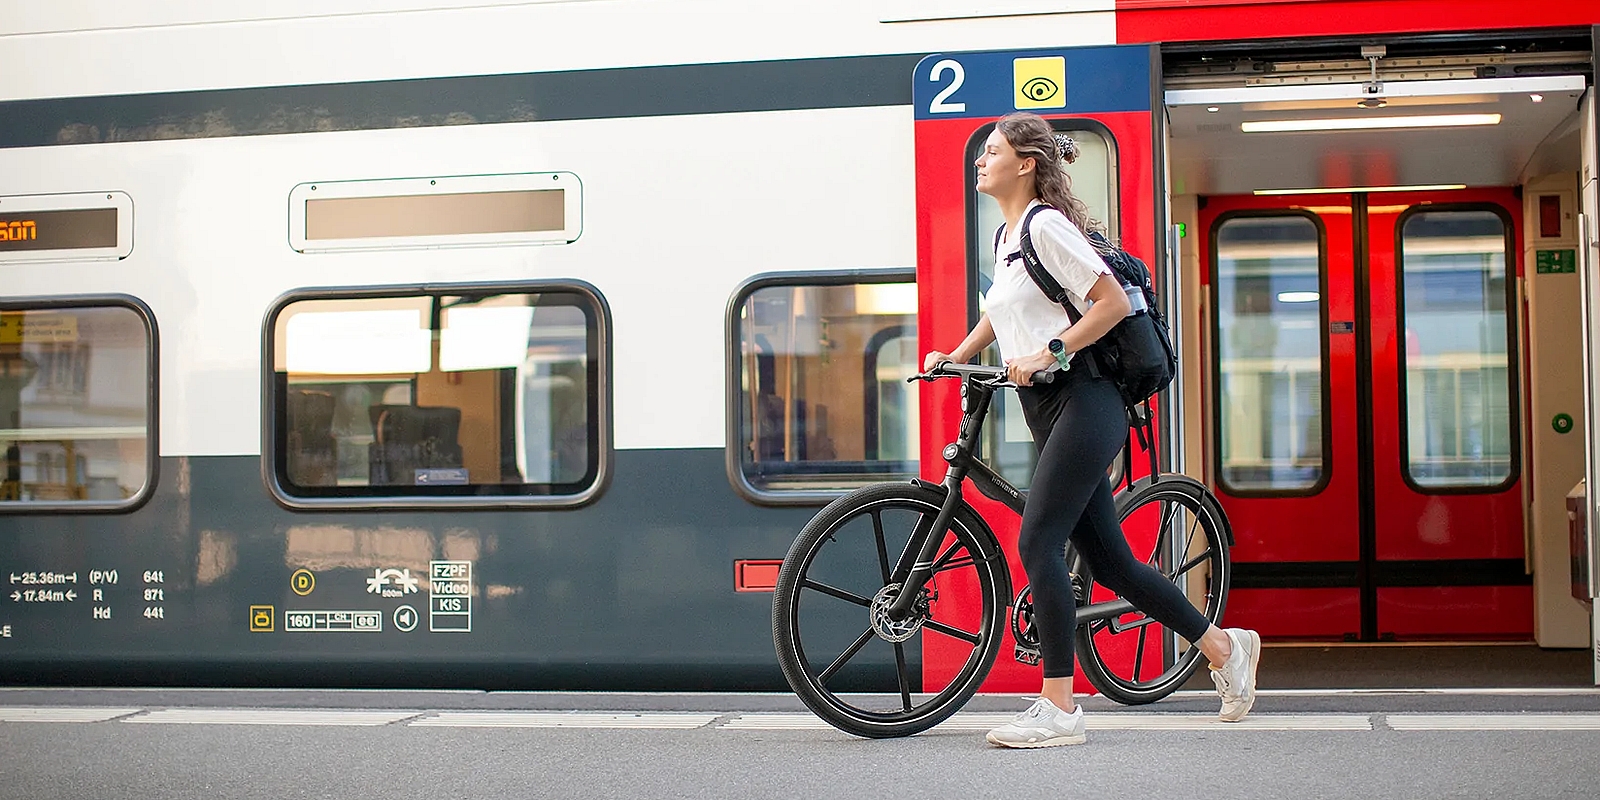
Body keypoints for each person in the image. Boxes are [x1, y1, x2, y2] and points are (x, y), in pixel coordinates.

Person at [922, 112, 1261, 748]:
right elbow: (1002, 312)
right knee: (1113, 563)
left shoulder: (1046, 226)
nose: (979, 161)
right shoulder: (1008, 236)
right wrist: (958, 353)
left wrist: (1052, 351)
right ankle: (1224, 649)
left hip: (1088, 398)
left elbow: (1109, 304)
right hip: (1047, 406)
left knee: (1038, 542)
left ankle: (1060, 708)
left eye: (990, 152)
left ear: (1025, 164)